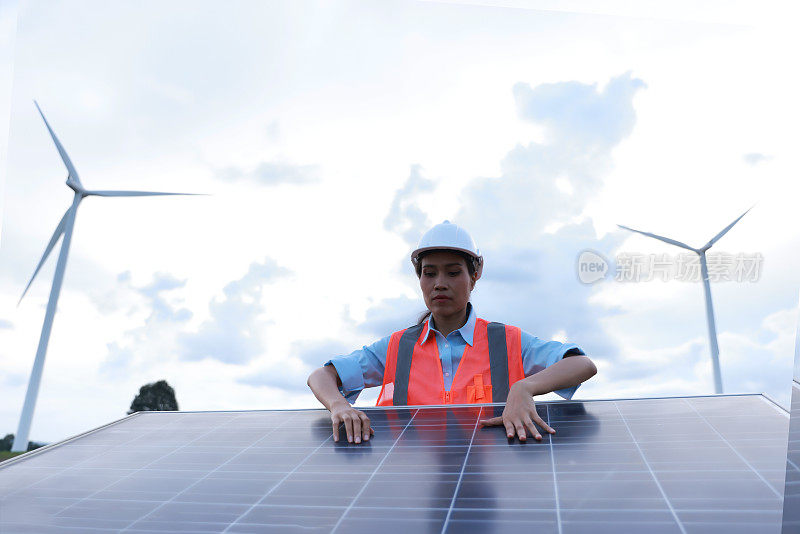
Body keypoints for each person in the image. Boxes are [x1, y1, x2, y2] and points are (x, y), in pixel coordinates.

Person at [307, 220, 597, 444]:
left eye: (453, 272)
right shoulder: (396, 347)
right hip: (408, 483)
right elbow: (321, 376)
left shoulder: (507, 340)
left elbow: (581, 364)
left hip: (499, 477)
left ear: (475, 275)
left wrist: (524, 387)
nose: (440, 283)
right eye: (429, 273)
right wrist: (338, 405)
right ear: (419, 278)